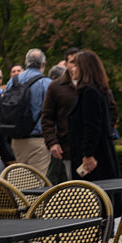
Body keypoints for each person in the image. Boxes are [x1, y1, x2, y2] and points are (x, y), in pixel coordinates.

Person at [66, 50, 120, 181]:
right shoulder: (97, 90)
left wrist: (88, 154)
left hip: (94, 156)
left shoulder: (90, 93)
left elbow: (92, 126)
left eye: (76, 65)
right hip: (99, 151)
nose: (73, 69)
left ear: (85, 68)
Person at [2, 50, 52, 174]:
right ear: (43, 64)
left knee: (21, 182)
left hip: (16, 139)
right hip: (38, 141)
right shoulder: (46, 83)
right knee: (39, 183)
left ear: (26, 62)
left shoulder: (12, 82)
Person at [41, 47, 80, 182]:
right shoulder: (56, 87)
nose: (75, 65)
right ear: (66, 64)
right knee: (71, 188)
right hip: (66, 146)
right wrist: (52, 142)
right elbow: (47, 118)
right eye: (72, 62)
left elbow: (110, 110)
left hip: (91, 147)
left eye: (79, 61)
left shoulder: (93, 83)